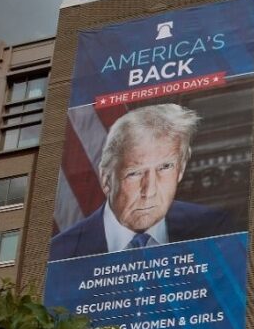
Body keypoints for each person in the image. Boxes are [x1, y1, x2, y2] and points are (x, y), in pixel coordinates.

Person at [50, 103, 232, 260]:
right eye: (135, 173)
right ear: (106, 180)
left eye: (165, 167)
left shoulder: (214, 228)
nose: (150, 190)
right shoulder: (60, 252)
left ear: (181, 170)